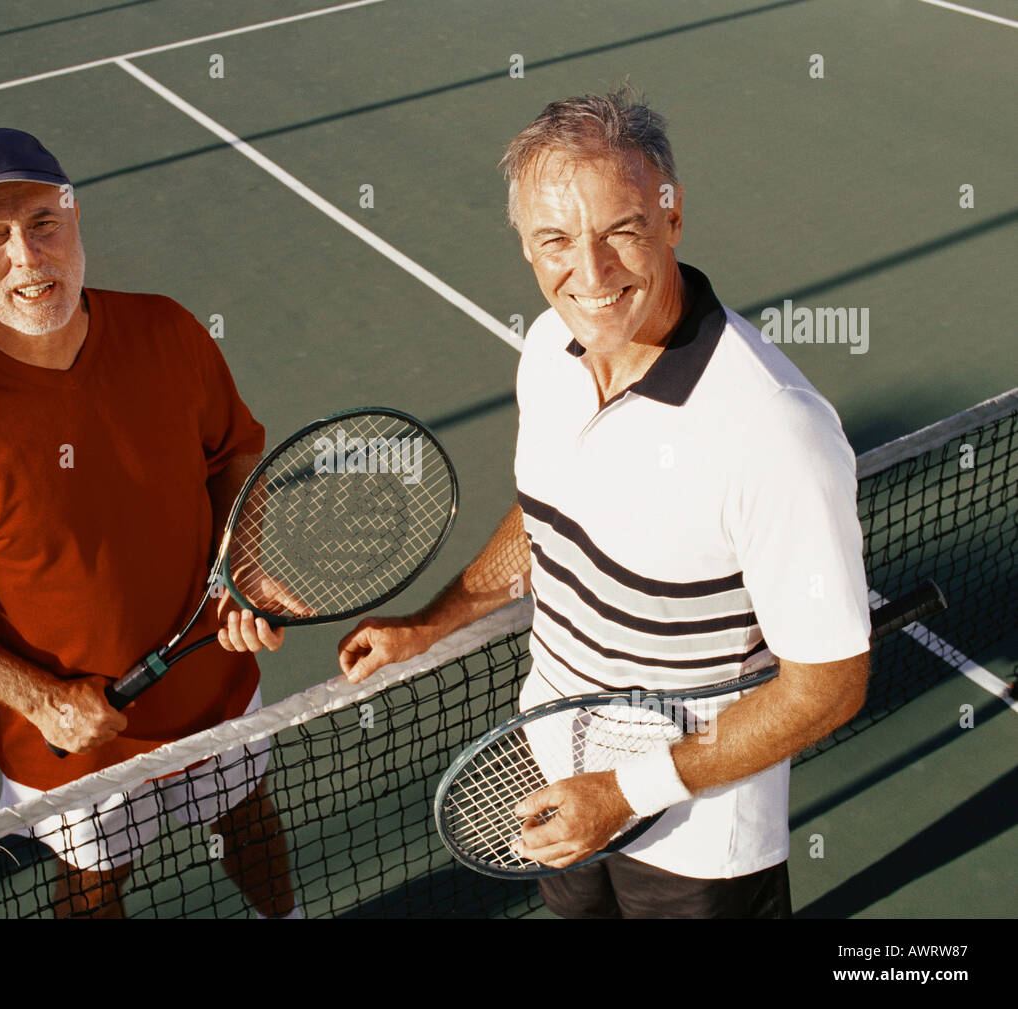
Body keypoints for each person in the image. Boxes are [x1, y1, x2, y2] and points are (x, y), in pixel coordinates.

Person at [338, 90, 871, 918]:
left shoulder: (774, 431)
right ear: (525, 245)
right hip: (558, 776)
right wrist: (441, 617)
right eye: (555, 239)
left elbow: (828, 687)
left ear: (672, 215)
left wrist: (628, 790)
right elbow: (548, 515)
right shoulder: (549, 351)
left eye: (620, 230)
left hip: (697, 837)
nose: (589, 275)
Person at [0, 128, 299, 918]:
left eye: (43, 222)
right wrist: (42, 697)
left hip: (218, 693)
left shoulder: (168, 333)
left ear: (75, 217)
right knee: (93, 888)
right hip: (70, 753)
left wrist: (243, 564)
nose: (27, 256)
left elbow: (235, 456)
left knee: (247, 820)